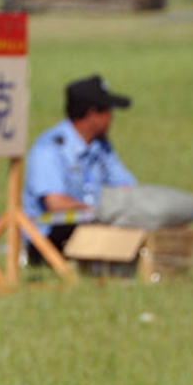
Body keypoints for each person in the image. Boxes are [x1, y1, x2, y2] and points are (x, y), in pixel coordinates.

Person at [22, 74, 137, 265]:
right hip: (50, 239)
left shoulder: (100, 146)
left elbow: (126, 185)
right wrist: (98, 211)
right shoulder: (48, 149)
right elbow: (55, 203)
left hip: (88, 226)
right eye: (108, 111)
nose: (111, 117)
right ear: (93, 114)